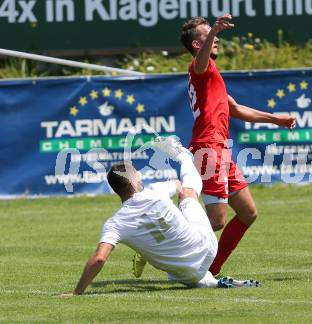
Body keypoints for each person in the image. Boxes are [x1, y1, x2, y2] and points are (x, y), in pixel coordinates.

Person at [63, 136, 259, 296]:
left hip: (186, 274)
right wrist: (179, 159)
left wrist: (77, 292)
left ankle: (210, 282)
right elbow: (179, 185)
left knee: (179, 268)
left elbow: (99, 258)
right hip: (206, 247)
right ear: (132, 182)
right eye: (137, 174)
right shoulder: (156, 190)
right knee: (188, 193)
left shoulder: (115, 224)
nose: (140, 176)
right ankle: (183, 156)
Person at [179, 14, 296, 276]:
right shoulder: (200, 67)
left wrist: (275, 119)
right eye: (208, 34)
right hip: (209, 148)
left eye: (215, 33)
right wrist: (213, 32)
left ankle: (211, 269)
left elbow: (235, 108)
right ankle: (166, 246)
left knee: (247, 212)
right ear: (198, 45)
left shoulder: (211, 74)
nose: (216, 37)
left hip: (219, 149)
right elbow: (199, 62)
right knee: (216, 220)